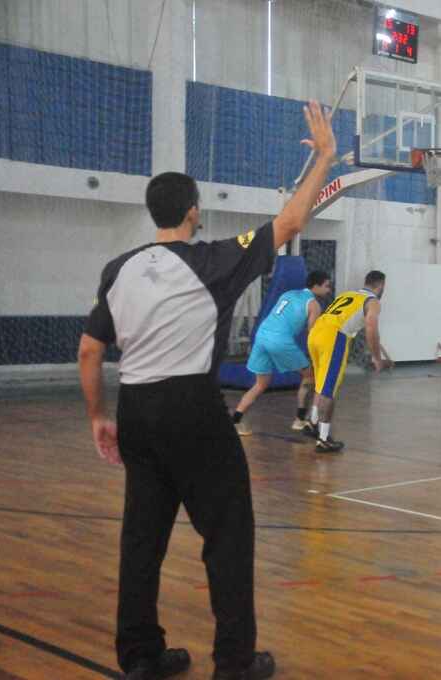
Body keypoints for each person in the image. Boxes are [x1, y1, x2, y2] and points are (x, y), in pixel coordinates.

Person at [77, 100, 336, 680]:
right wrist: (324, 157)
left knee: (141, 539)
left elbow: (91, 351)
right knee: (228, 535)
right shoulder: (213, 260)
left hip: (136, 410)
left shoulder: (118, 269)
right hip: (192, 410)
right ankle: (234, 664)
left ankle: (141, 656)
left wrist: (99, 416)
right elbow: (291, 222)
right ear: (194, 212)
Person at [231, 271, 332, 436]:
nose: (328, 290)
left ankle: (235, 421)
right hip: (280, 341)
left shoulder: (289, 293)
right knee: (310, 376)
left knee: (260, 384)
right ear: (316, 286)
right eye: (327, 286)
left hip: (262, 336)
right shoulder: (314, 305)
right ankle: (300, 420)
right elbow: (312, 334)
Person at [305, 271, 387, 453]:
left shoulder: (348, 294)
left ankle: (312, 422)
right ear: (380, 286)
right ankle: (323, 439)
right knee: (329, 389)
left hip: (315, 333)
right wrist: (376, 357)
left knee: (321, 383)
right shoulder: (373, 301)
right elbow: (371, 328)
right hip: (334, 337)